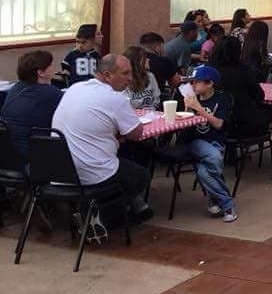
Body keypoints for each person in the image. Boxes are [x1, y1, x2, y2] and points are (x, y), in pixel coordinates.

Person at [51, 54, 152, 223]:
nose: (130, 78)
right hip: (92, 173)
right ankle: (104, 215)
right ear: (107, 75)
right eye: (125, 73)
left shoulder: (75, 88)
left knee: (123, 157)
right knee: (140, 176)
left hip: (60, 171)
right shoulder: (115, 98)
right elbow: (136, 134)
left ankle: (94, 210)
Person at [178, 65, 237, 222]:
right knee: (215, 157)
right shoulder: (191, 99)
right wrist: (187, 108)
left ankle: (214, 197)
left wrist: (200, 109)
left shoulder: (221, 98)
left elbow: (218, 124)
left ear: (209, 83)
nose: (193, 86)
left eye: (196, 82)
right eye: (191, 82)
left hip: (215, 141)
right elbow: (185, 127)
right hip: (195, 142)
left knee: (204, 173)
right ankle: (228, 204)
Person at [1, 50, 62, 162]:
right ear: (41, 73)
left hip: (8, 155)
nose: (52, 68)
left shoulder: (15, 88)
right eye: (50, 65)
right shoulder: (52, 93)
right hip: (32, 157)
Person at [210, 36, 269, 141]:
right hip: (244, 125)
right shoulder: (244, 71)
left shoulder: (208, 72)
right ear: (238, 52)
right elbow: (260, 96)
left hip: (213, 123)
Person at [122, 46, 160, 110]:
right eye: (145, 58)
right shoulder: (123, 79)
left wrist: (151, 109)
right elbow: (123, 104)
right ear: (137, 62)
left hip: (150, 114)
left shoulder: (150, 76)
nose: (148, 60)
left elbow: (156, 99)